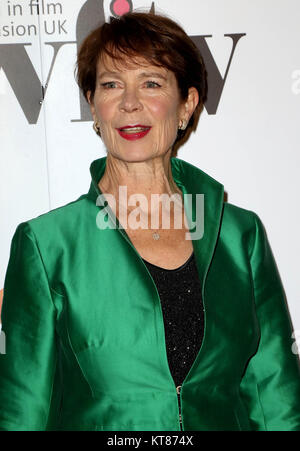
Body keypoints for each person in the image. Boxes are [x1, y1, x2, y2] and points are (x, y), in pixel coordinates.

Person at [0, 11, 300, 432]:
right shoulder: (47, 245)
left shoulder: (238, 235)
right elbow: (21, 410)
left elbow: (275, 393)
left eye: (151, 83)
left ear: (187, 104)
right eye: (111, 85)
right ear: (93, 105)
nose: (129, 103)